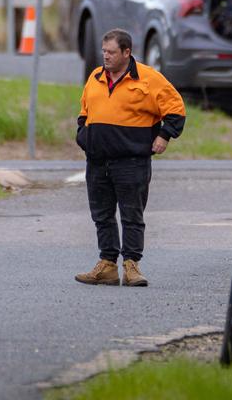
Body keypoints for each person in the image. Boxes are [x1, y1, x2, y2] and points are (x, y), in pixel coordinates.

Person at [74, 28, 186, 287]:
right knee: (101, 215)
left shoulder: (149, 79)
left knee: (131, 215)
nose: (106, 57)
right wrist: (84, 136)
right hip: (98, 160)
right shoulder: (96, 76)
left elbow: (176, 109)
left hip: (131, 161)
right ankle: (107, 265)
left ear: (127, 52)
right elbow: (84, 111)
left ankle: (131, 265)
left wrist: (164, 136)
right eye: (104, 52)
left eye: (111, 52)